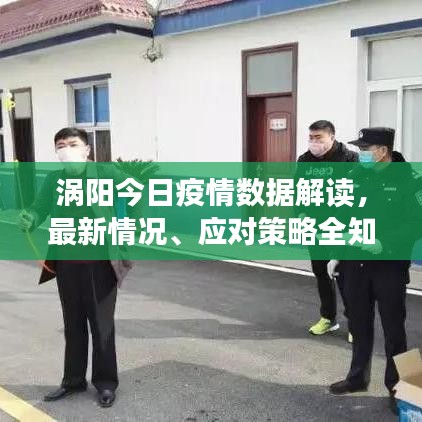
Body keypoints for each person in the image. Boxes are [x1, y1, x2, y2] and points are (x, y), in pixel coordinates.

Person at [18, 127, 133, 408]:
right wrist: (29, 218)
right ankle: (73, 381)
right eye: (60, 145)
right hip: (67, 264)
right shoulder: (54, 180)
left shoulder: (106, 174)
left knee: (101, 326)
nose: (66, 149)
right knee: (73, 325)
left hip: (100, 265)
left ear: (87, 149)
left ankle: (106, 383)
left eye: (72, 143)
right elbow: (39, 208)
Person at [328, 127, 422, 415]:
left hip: (389, 267)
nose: (361, 154)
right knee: (359, 323)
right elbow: (343, 216)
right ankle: (357, 378)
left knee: (394, 329)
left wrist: (384, 243)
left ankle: (404, 390)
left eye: (365, 149)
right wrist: (336, 254)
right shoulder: (356, 175)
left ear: (382, 151)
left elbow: (416, 223)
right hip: (355, 265)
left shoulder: (409, 180)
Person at [297, 120, 357, 336]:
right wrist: (301, 214)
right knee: (322, 273)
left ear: (331, 137)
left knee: (344, 277)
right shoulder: (305, 160)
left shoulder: (349, 159)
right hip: (315, 228)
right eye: (311, 137)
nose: (314, 142)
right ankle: (328, 318)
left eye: (318, 137)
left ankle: (355, 324)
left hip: (341, 227)